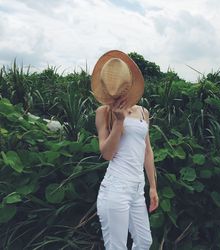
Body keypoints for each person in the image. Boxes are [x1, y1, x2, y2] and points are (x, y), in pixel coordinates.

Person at [91, 50, 159, 250]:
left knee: (144, 242)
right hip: (115, 189)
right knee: (117, 247)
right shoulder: (104, 112)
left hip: (137, 189)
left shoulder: (143, 112)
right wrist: (119, 123)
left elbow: (147, 151)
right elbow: (107, 154)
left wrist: (152, 186)